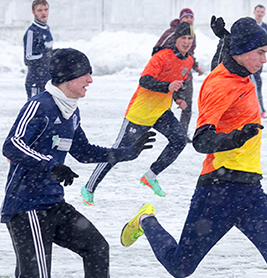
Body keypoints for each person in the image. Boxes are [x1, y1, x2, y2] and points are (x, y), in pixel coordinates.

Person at [120, 17, 267, 278]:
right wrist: (235, 138)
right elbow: (201, 140)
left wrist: (225, 38)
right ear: (243, 52)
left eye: (266, 52)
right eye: (261, 52)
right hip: (218, 190)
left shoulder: (239, 69)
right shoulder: (219, 85)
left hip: (251, 189)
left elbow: (229, 57)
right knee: (180, 267)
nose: (265, 60)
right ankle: (146, 220)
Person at [0, 48, 155, 278]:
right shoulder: (40, 106)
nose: (90, 80)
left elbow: (84, 151)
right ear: (68, 76)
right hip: (26, 206)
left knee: (97, 248)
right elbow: (12, 144)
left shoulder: (71, 111)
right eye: (86, 74)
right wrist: (51, 164)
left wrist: (127, 152)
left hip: (53, 204)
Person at [81, 22, 194, 204]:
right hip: (140, 113)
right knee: (119, 153)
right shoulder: (161, 57)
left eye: (190, 38)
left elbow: (175, 83)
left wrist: (178, 98)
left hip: (161, 112)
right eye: (183, 38)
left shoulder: (188, 62)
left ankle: (151, 175)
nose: (187, 42)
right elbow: (144, 81)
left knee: (179, 140)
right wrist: (167, 87)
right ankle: (89, 187)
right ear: (176, 39)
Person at [153, 8, 205, 142]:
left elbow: (189, 54)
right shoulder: (172, 33)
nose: (189, 20)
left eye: (191, 18)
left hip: (185, 76)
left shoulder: (193, 34)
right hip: (169, 76)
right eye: (186, 17)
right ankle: (158, 129)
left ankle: (181, 134)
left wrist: (195, 66)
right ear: (181, 19)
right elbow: (157, 49)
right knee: (164, 106)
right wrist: (163, 66)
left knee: (187, 106)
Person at [23, 0, 53, 99]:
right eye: (39, 10)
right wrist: (46, 57)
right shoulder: (32, 31)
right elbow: (28, 58)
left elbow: (48, 52)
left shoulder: (47, 29)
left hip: (47, 80)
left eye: (45, 9)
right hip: (35, 81)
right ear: (33, 12)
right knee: (35, 112)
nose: (43, 13)